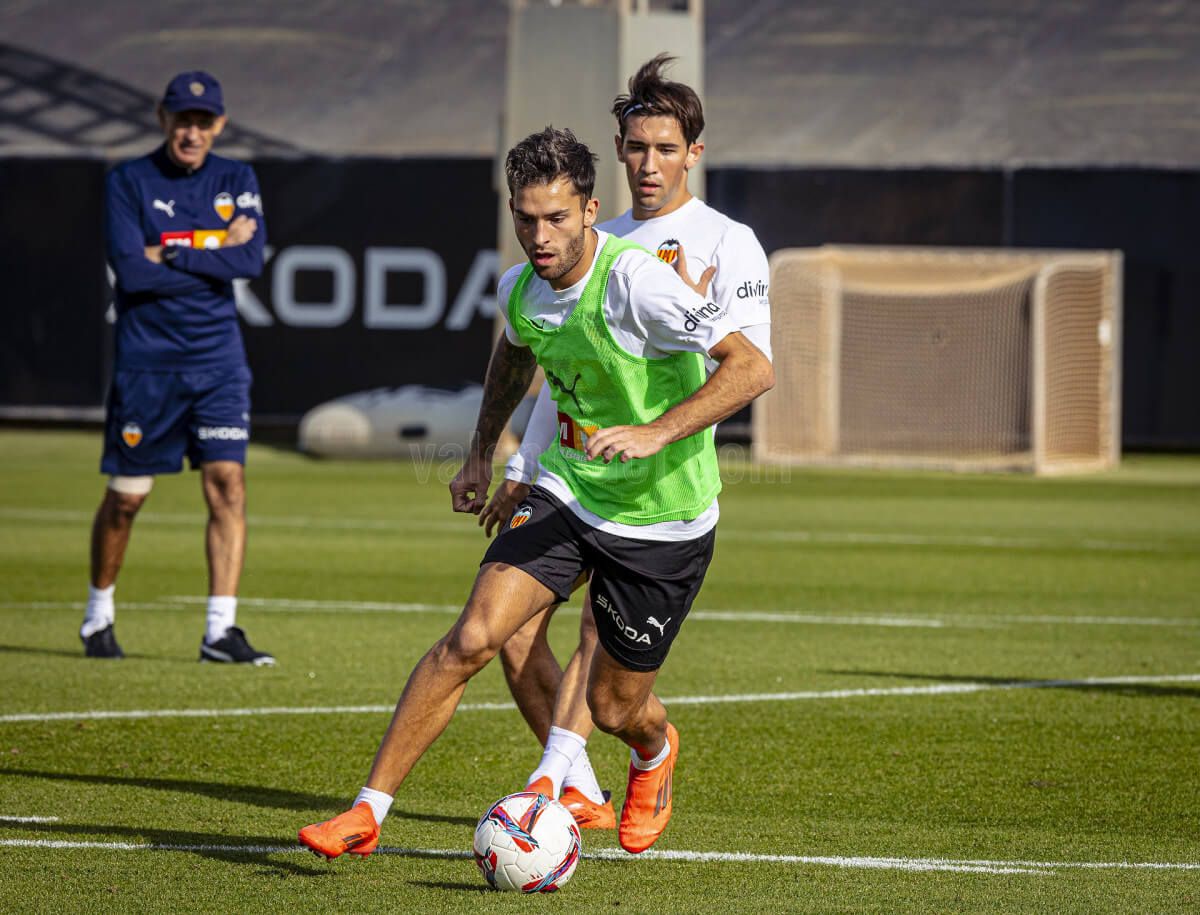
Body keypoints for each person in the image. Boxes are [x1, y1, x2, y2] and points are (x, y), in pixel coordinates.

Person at [298, 126, 773, 859]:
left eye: (556, 218)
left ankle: (653, 750)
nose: (540, 236)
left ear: (590, 209)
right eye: (526, 219)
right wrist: (485, 456)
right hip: (569, 490)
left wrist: (656, 432)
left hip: (663, 518)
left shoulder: (637, 278)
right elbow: (514, 355)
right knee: (474, 637)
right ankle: (366, 811)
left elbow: (750, 368)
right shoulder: (521, 288)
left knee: (617, 707)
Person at [478, 54, 773, 830]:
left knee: (611, 687)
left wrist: (655, 432)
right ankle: (569, 787)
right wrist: (519, 465)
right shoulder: (588, 235)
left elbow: (749, 366)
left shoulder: (727, 242)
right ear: (617, 150)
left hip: (660, 487)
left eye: (666, 148)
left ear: (693, 154)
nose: (650, 163)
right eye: (636, 147)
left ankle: (634, 751)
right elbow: (559, 374)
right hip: (573, 472)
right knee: (507, 633)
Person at [79, 70, 274, 666]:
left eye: (203, 121)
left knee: (227, 486)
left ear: (219, 124)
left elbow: (250, 258)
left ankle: (220, 631)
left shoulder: (236, 176)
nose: (192, 132)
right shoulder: (129, 181)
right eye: (182, 120)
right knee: (128, 497)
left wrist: (175, 247)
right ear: (164, 120)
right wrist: (214, 244)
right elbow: (132, 272)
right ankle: (98, 615)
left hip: (217, 362)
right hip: (148, 364)